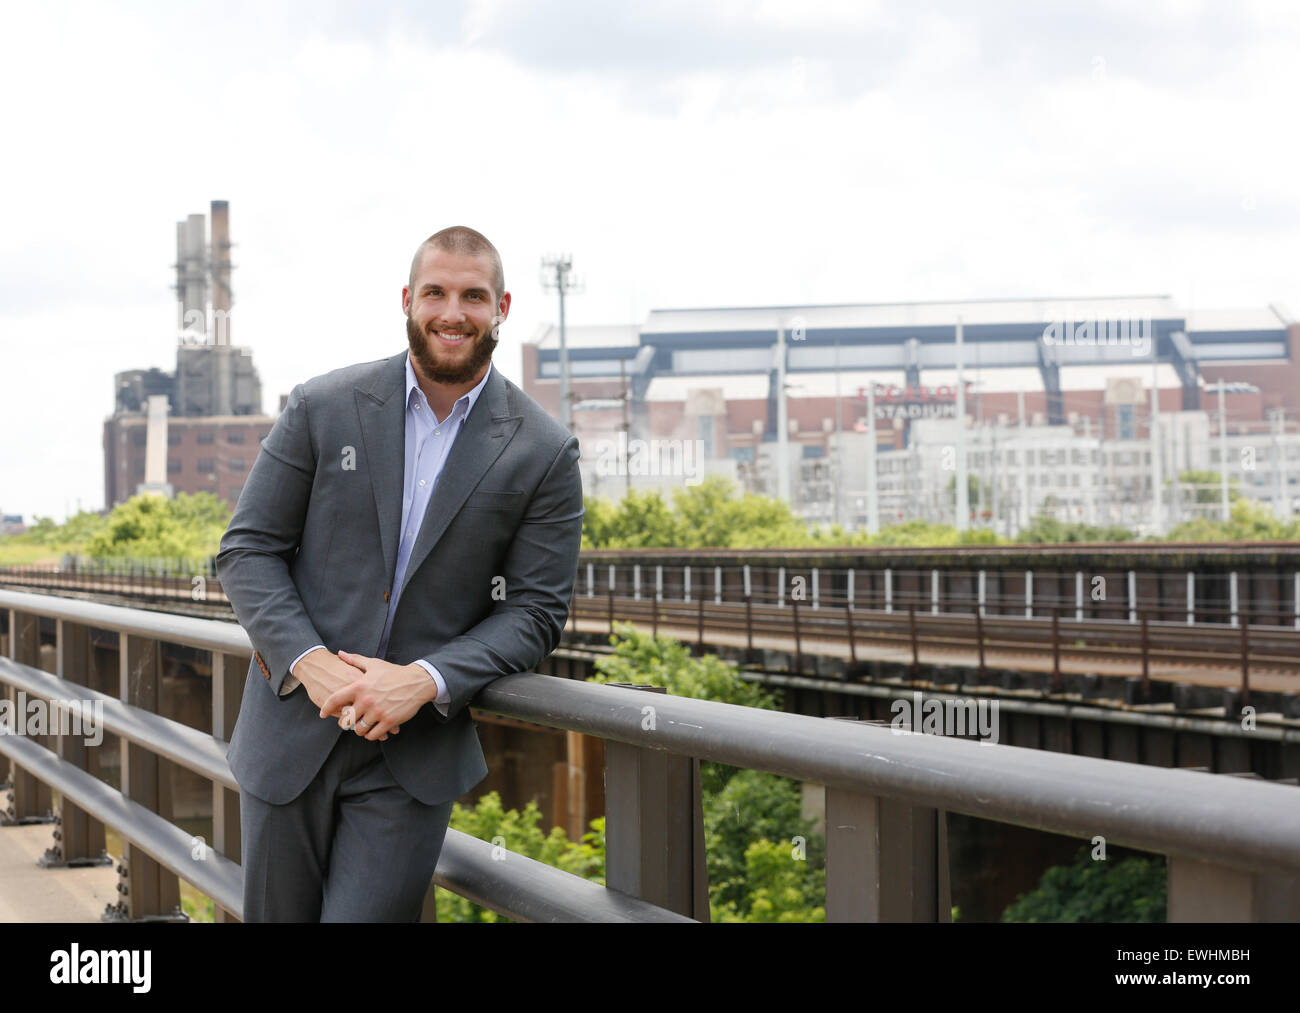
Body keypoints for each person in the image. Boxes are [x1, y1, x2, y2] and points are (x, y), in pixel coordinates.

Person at [216, 225, 583, 922]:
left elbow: (535, 611)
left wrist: (424, 679)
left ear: (501, 306)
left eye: (473, 296)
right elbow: (247, 549)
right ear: (408, 300)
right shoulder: (322, 406)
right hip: (290, 731)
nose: (454, 312)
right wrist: (310, 662)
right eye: (436, 293)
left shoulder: (543, 449)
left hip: (411, 757)